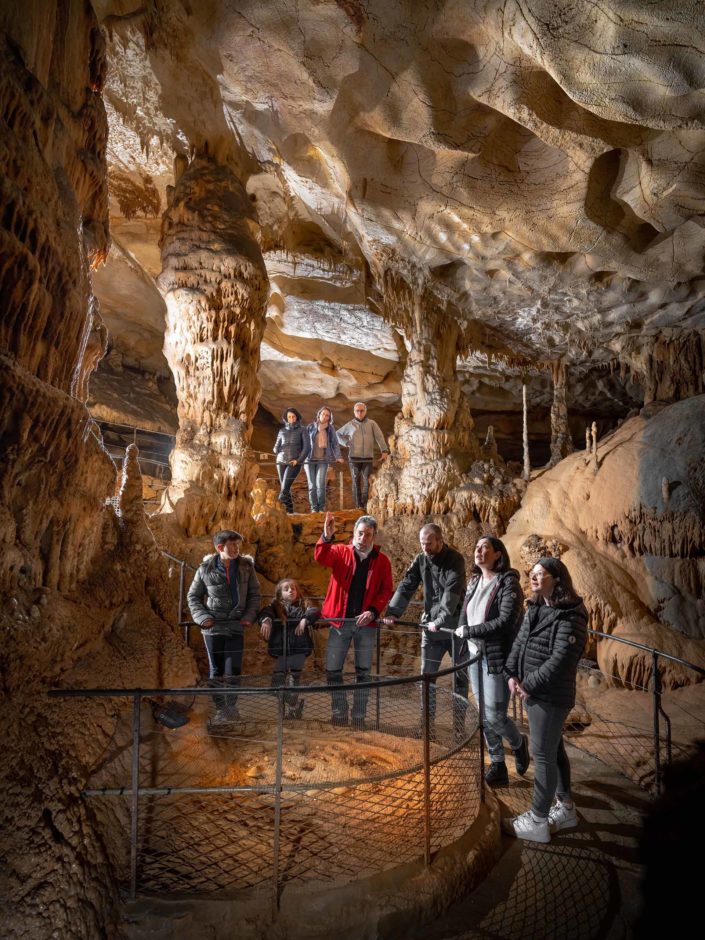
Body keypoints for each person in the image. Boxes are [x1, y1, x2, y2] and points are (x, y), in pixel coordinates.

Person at [502, 557, 588, 843]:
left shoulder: (571, 615)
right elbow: (519, 641)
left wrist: (529, 684)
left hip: (550, 696)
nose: (534, 578)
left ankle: (538, 820)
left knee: (542, 755)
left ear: (557, 579)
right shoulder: (536, 607)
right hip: (533, 692)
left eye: (541, 574)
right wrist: (511, 672)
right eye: (533, 574)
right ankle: (565, 808)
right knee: (554, 750)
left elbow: (561, 661)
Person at [455, 536, 529, 787]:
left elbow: (506, 621)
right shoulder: (475, 581)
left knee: (496, 715)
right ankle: (497, 763)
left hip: (496, 656)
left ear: (498, 554)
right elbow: (465, 614)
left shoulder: (509, 584)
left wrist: (470, 632)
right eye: (476, 547)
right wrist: (463, 635)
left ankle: (519, 743)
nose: (479, 551)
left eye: (485, 547)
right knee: (483, 715)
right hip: (475, 655)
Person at [383, 524, 468, 734]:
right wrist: (393, 611)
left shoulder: (455, 560)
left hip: (455, 629)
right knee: (427, 678)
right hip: (431, 629)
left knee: (460, 679)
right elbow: (407, 584)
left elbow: (451, 593)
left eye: (429, 544)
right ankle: (426, 726)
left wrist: (440, 620)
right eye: (422, 543)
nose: (425, 548)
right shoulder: (421, 560)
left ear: (440, 540)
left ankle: (459, 728)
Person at [314, 512, 394, 728]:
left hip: (366, 624)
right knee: (332, 669)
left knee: (363, 673)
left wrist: (374, 611)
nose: (363, 538)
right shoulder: (340, 552)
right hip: (340, 622)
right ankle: (339, 711)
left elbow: (386, 590)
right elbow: (321, 557)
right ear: (354, 533)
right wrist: (326, 536)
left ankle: (359, 716)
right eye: (360, 533)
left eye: (368, 534)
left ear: (374, 537)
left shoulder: (381, 561)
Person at [187, 530, 261, 723]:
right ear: (220, 547)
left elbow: (254, 594)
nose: (237, 548)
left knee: (233, 668)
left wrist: (248, 616)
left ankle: (231, 708)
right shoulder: (205, 569)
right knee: (216, 669)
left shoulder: (246, 567)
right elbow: (193, 596)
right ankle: (221, 710)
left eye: (238, 544)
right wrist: (202, 617)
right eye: (233, 545)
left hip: (236, 624)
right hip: (213, 627)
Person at [258, 579, 321, 719]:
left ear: (297, 592)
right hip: (282, 651)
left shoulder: (303, 606)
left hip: (298, 650)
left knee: (294, 681)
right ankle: (295, 704)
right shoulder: (274, 606)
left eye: (293, 588)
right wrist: (266, 620)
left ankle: (292, 710)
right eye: (286, 589)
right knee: (276, 686)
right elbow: (265, 612)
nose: (290, 591)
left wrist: (305, 619)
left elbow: (316, 612)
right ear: (279, 593)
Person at [336, 402, 390, 510]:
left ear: (365, 411)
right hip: (354, 458)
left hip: (367, 458)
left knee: (367, 480)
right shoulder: (350, 424)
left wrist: (384, 450)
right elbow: (337, 434)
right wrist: (346, 443)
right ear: (354, 412)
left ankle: (365, 504)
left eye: (362, 410)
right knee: (356, 481)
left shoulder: (372, 424)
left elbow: (379, 437)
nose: (359, 413)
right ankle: (358, 506)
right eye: (357, 411)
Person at [304, 406, 343, 512]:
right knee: (312, 485)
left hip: (323, 460)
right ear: (319, 414)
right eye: (323, 414)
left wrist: (338, 456)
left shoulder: (330, 428)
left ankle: (321, 508)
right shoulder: (310, 427)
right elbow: (304, 443)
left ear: (329, 418)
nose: (325, 417)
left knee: (320, 484)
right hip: (309, 460)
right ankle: (314, 508)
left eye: (327, 415)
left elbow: (335, 443)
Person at [273, 407, 310, 513]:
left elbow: (307, 448)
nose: (291, 418)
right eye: (289, 417)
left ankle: (278, 508)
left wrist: (298, 460)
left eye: (293, 416)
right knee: (285, 487)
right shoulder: (282, 431)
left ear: (297, 417)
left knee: (284, 488)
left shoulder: (303, 430)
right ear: (286, 418)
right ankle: (289, 511)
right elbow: (275, 447)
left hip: (294, 463)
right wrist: (276, 449)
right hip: (280, 461)